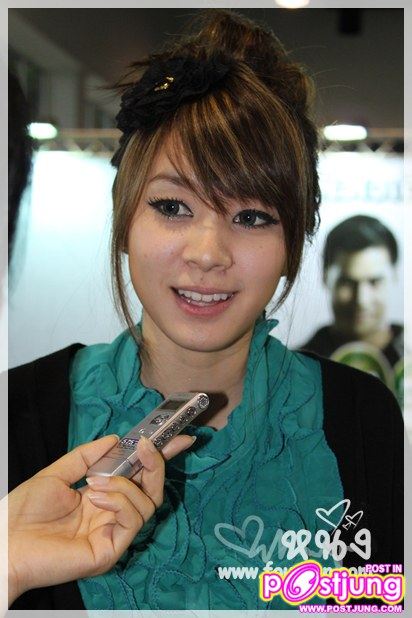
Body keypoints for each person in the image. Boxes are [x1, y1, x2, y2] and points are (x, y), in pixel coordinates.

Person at [8, 9, 403, 611]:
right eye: (173, 207)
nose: (208, 254)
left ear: (292, 246)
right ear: (124, 220)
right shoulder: (17, 413)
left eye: (252, 216)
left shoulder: (361, 417)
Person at [301, 215, 403, 401]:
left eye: (374, 282)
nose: (361, 300)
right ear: (325, 277)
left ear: (394, 276)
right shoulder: (297, 368)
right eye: (347, 282)